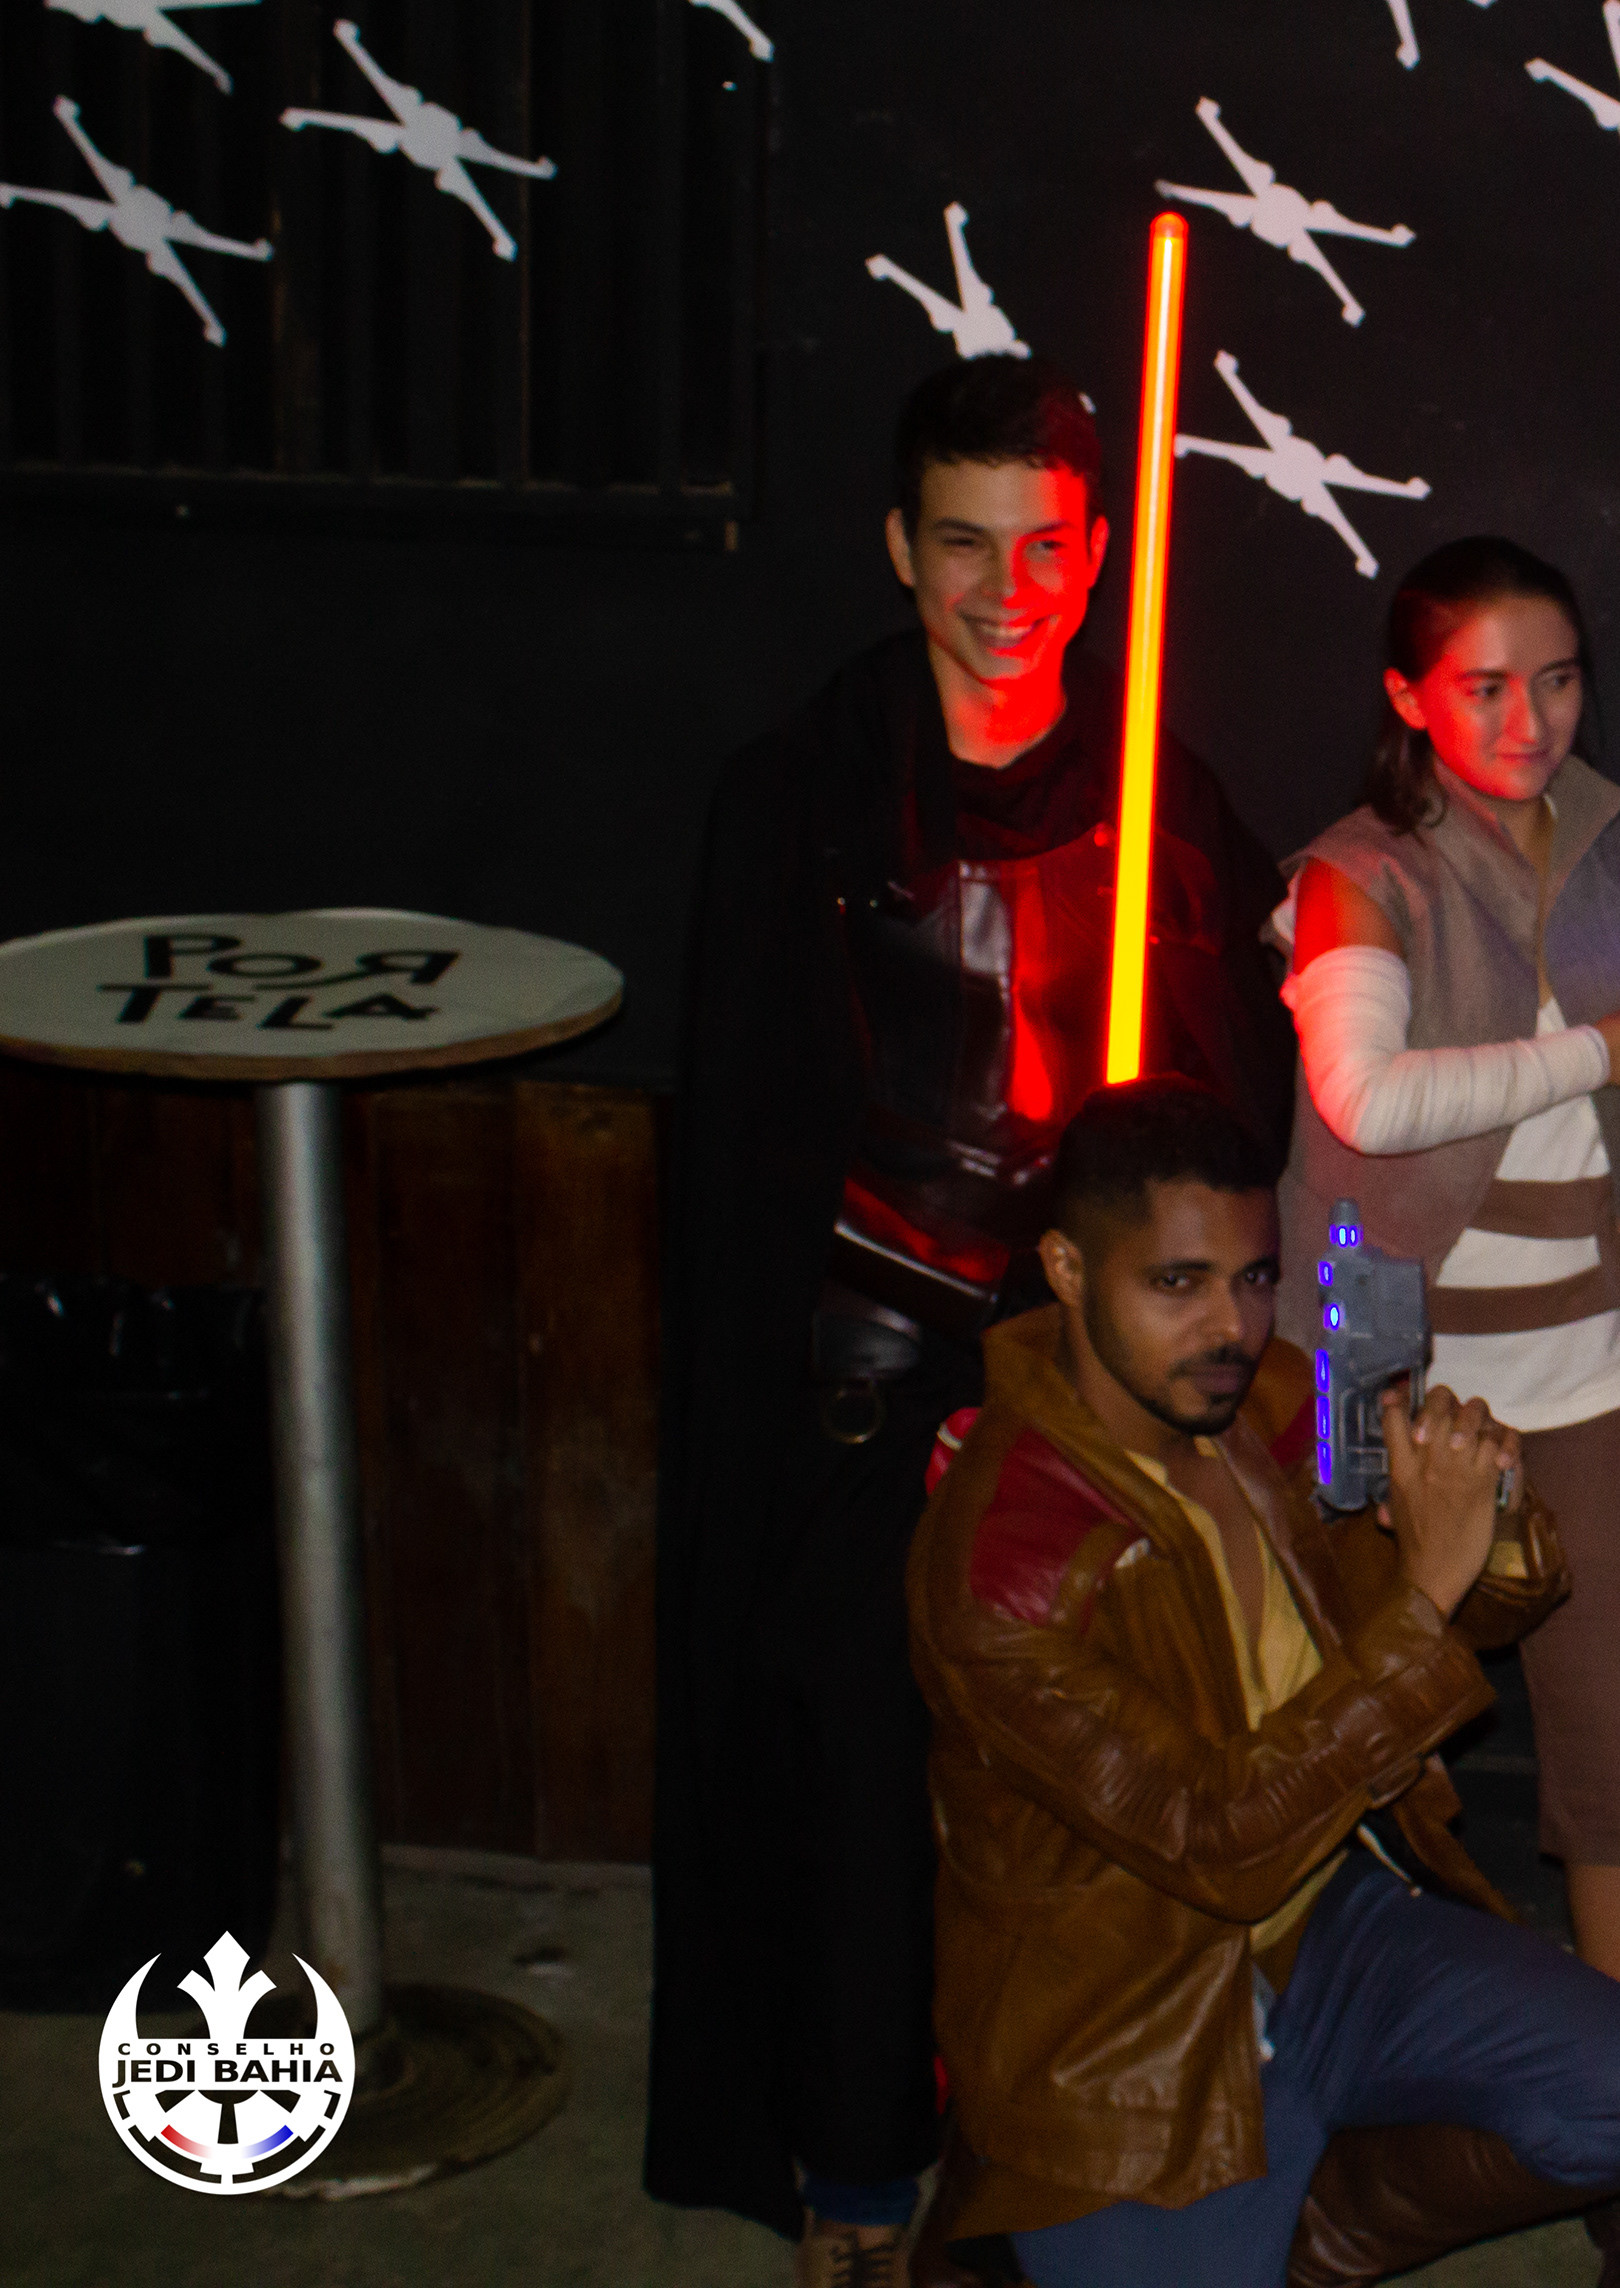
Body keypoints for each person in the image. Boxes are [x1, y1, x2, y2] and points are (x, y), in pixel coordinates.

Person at [648, 359, 1299, 2281]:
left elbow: (1235, 1113)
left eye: (1041, 548)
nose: (1005, 591)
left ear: (1096, 558)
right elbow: (751, 1143)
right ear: (896, 548)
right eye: (962, 545)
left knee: (1125, 1755)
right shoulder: (797, 795)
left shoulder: (1164, 794)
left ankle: (1084, 2150)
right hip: (868, 1371)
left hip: (1092, 1379)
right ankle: (856, 2169)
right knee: (863, 1747)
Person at [907, 1077, 1620, 2288]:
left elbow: (1466, 1607)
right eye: (1177, 1283)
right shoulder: (1004, 1564)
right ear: (1067, 1270)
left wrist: (1483, 1516)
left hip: (1326, 1928)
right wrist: (1427, 1593)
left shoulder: (1266, 1403)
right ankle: (1028, 2210)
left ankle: (1287, 2239)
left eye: (1254, 1277)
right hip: (1126, 2030)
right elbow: (1219, 1841)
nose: (1230, 1325)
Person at [1275, 535, 1620, 2279]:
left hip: (1600, 1359)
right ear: (1408, 697)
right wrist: (1598, 1059)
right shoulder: (1358, 874)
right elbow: (1362, 1094)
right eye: (1483, 684)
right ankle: (1295, 2095)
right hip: (1400, 1381)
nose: (1529, 717)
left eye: (1555, 678)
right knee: (1350, 1752)